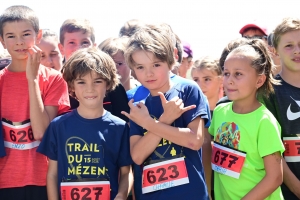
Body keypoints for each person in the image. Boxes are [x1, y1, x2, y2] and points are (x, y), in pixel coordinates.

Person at [122, 25, 210, 200]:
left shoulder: (188, 90)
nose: (149, 73)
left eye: (156, 64)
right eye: (140, 67)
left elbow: (194, 140)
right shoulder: (138, 105)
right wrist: (164, 120)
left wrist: (150, 124)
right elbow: (138, 156)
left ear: (171, 61)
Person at [37, 47, 133, 200]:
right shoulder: (58, 126)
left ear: (108, 84)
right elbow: (52, 174)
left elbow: (127, 172)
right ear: (72, 86)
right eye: (81, 82)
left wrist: (121, 195)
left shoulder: (120, 128)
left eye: (97, 81)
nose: (90, 89)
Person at [0, 5, 70, 200]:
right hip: (5, 182)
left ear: (38, 36)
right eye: (11, 36)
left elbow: (41, 133)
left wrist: (32, 80)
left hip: (43, 181)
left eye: (25, 34)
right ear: (2, 40)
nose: (19, 42)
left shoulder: (55, 79)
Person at [209, 39, 284, 200]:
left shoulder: (265, 121)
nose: (229, 80)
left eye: (238, 74)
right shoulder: (220, 112)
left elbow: (275, 177)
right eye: (226, 73)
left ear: (259, 80)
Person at [59, 18, 130, 121]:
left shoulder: (110, 83)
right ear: (61, 48)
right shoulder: (55, 84)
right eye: (72, 43)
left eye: (84, 42)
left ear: (94, 47)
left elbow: (124, 127)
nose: (79, 48)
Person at [260, 17, 300, 200]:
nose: (296, 51)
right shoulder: (268, 93)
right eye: (289, 45)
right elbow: (274, 155)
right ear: (274, 50)